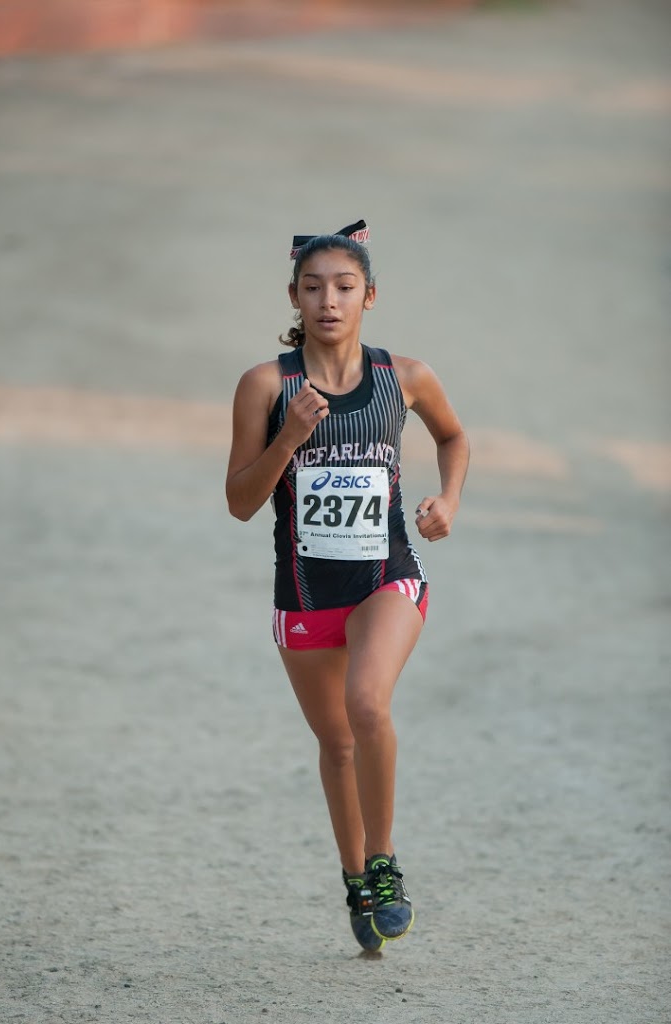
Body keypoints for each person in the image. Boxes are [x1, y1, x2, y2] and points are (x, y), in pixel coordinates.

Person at [226, 220, 469, 952]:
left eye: (345, 287)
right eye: (313, 288)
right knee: (336, 745)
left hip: (385, 579)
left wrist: (448, 500)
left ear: (370, 296)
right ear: (294, 298)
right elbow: (240, 501)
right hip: (304, 595)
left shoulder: (406, 378)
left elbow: (453, 437)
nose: (329, 300)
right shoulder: (267, 385)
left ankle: (384, 862)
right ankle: (356, 880)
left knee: (368, 704)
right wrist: (288, 437)